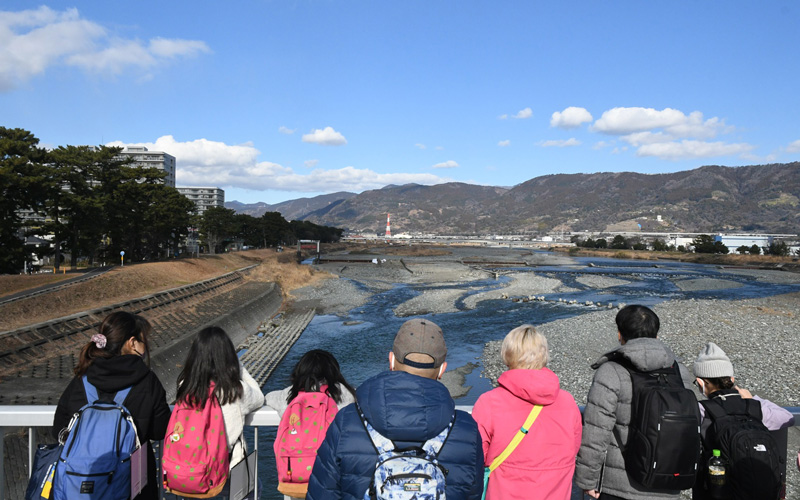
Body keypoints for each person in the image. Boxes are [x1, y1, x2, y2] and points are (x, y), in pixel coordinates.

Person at [306, 318, 484, 500]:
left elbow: (322, 493)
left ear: (391, 360)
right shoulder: (466, 429)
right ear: (442, 370)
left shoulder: (347, 421)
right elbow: (473, 494)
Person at [575, 304, 695, 500]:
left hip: (619, 487)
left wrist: (587, 481)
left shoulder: (611, 370)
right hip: (669, 482)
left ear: (620, 335)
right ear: (656, 335)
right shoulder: (679, 371)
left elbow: (596, 431)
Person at [53, 311, 171, 500]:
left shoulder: (82, 379)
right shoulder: (147, 381)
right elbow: (160, 430)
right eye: (144, 341)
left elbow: (60, 427)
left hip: (80, 484)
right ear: (132, 343)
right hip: (134, 484)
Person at [472, 325, 581, 500]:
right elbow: (573, 448)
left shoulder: (489, 403)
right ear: (544, 354)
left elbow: (476, 456)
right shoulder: (568, 402)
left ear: (507, 355)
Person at [164, 326, 264, 499]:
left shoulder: (185, 386)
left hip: (193, 469)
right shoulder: (233, 390)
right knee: (256, 488)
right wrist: (238, 366)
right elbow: (259, 397)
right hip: (229, 468)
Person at [691, 342, 794, 500]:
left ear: (701, 383)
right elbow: (787, 417)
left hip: (716, 491)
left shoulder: (702, 410)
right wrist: (753, 399)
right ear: (732, 379)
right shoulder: (754, 408)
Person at [265, 349, 357, 500]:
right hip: (331, 480)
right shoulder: (343, 393)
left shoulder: (291, 396)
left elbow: (269, 397)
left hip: (296, 480)